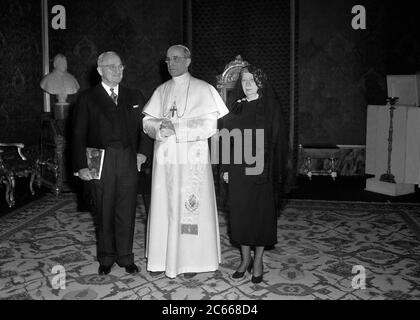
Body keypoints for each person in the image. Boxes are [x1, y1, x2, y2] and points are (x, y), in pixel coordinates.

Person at [142, 44, 229, 279]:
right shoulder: (161, 91)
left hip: (192, 161)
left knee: (190, 208)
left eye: (176, 58)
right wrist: (160, 127)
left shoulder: (203, 89)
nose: (171, 63)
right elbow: (146, 123)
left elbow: (210, 125)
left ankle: (191, 261)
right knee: (164, 207)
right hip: (165, 162)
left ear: (188, 61)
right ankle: (162, 258)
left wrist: (177, 128)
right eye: (168, 59)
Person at [72, 51, 152, 275]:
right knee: (104, 208)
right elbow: (78, 135)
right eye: (112, 67)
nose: (118, 71)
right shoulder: (87, 98)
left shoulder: (134, 95)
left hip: (127, 158)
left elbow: (145, 128)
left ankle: (126, 257)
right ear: (100, 71)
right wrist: (81, 166)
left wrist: (143, 153)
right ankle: (106, 256)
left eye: (121, 66)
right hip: (100, 159)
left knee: (126, 209)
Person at [221, 65, 288, 283]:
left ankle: (258, 261)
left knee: (260, 218)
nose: (247, 84)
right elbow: (224, 138)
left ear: (260, 82)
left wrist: (271, 170)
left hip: (262, 170)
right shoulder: (237, 106)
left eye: (251, 80)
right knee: (240, 217)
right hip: (238, 170)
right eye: (244, 80)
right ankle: (244, 259)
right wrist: (225, 169)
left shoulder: (270, 107)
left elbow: (278, 142)